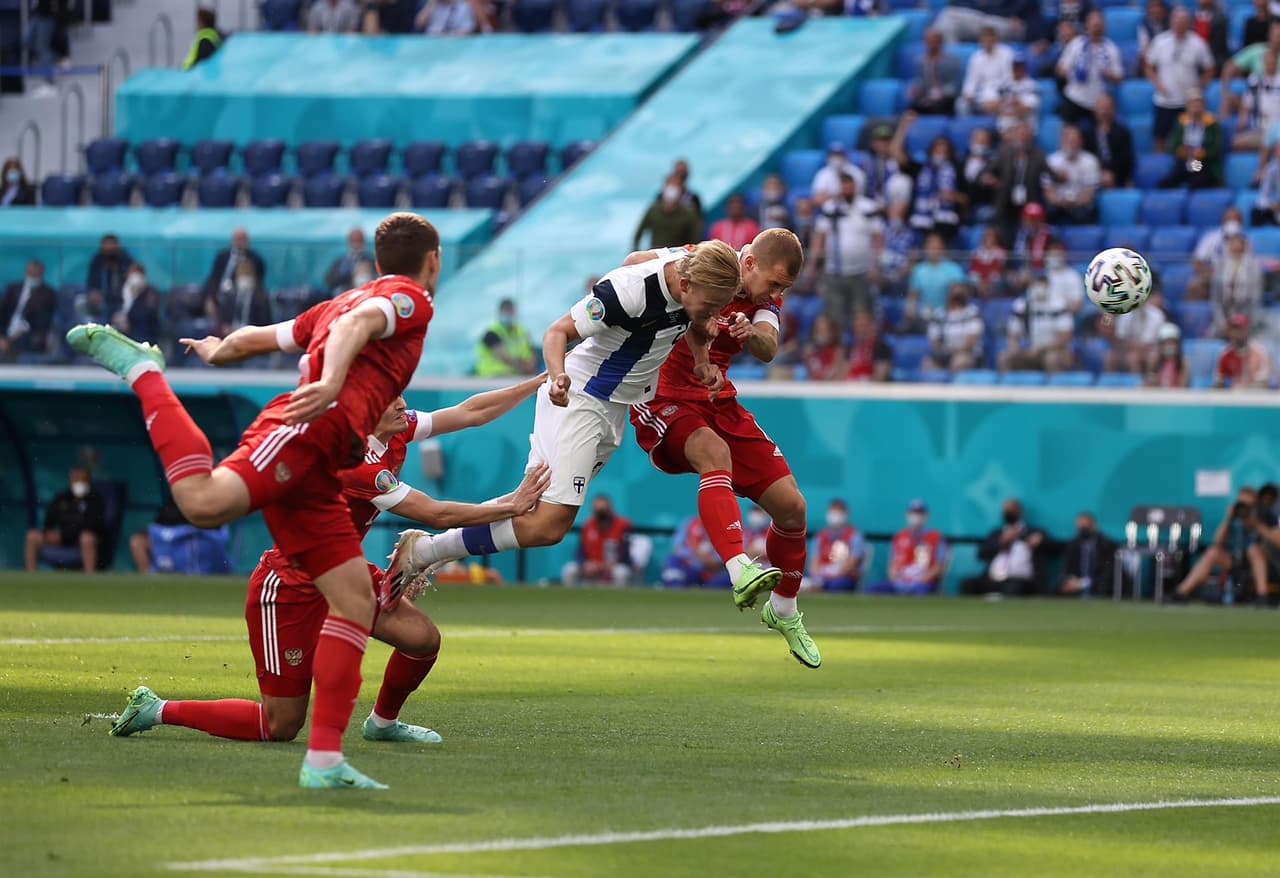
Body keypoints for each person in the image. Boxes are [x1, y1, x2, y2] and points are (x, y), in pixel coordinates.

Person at [68, 211, 445, 790]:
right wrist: (329, 381)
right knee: (202, 501)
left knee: (350, 600)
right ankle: (146, 373)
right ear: (433, 260)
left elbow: (268, 335)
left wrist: (222, 350)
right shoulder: (409, 299)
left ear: (374, 260)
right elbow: (357, 328)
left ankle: (324, 762)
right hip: (305, 431)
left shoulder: (340, 301)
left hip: (326, 459)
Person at [109, 381, 547, 749]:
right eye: (390, 399)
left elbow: (469, 411)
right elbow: (435, 514)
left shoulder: (395, 429)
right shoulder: (356, 463)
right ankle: (157, 709)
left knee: (422, 639)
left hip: (343, 575)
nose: (402, 404)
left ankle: (382, 724)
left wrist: (538, 381)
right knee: (279, 726)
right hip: (290, 588)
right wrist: (511, 505)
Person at [384, 243, 747, 634]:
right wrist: (557, 377)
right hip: (580, 398)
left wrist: (701, 360)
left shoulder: (694, 275)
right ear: (687, 282)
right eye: (710, 305)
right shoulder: (629, 291)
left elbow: (683, 311)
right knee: (549, 525)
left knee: (535, 511)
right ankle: (425, 552)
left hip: (614, 407)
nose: (713, 316)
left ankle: (423, 553)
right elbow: (557, 331)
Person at [626, 230, 820, 665]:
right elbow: (634, 260)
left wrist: (750, 333)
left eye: (783, 289)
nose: (776, 293)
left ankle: (784, 610)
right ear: (747, 263)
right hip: (662, 395)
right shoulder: (703, 260)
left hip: (716, 396)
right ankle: (739, 568)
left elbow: (769, 348)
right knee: (715, 454)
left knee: (793, 508)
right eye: (774, 284)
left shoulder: (763, 299)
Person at [810, 172, 884, 334]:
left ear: (855, 187)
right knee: (833, 316)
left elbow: (878, 237)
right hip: (834, 271)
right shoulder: (830, 208)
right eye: (844, 186)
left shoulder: (867, 207)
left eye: (849, 186)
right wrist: (813, 265)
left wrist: (876, 264)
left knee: (862, 313)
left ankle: (862, 352)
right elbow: (820, 237)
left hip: (862, 271)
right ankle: (838, 352)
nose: (847, 190)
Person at [1173, 485, 1264, 600]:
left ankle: (1262, 595)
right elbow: (1217, 541)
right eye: (1241, 504)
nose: (1244, 508)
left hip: (1260, 562)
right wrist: (1228, 518)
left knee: (1253, 549)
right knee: (1213, 552)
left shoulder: (1262, 517)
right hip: (1237, 560)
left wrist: (1254, 522)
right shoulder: (1234, 519)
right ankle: (1181, 592)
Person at [1145, 9, 1215, 150]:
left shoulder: (1198, 43)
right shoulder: (1160, 41)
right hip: (1164, 101)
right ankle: (1161, 167)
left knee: (1190, 141)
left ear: (1188, 23)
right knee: (1160, 137)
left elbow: (1210, 68)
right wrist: (1158, 84)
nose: (1180, 25)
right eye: (1177, 21)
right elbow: (1148, 66)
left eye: (1183, 22)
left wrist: (1199, 87)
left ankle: (1193, 168)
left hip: (1188, 103)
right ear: (1171, 22)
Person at [961, 499, 1051, 596]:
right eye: (1005, 510)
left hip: (1021, 579)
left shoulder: (1034, 532)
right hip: (994, 578)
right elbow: (981, 554)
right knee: (968, 583)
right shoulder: (996, 533)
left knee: (1013, 586)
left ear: (1020, 511)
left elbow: (1053, 547)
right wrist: (1001, 542)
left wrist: (1040, 541)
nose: (1007, 513)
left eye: (1011, 510)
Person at [24, 466, 106, 573]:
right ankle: (31, 575)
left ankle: (90, 575)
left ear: (89, 481)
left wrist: (68, 533)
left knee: (87, 538)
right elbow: (49, 519)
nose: (79, 483)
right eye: (76, 480)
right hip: (62, 536)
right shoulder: (62, 498)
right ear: (70, 481)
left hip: (81, 538)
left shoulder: (95, 499)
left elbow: (93, 524)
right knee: (32, 535)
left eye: (82, 480)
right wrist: (47, 531)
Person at [981, 121, 1050, 243]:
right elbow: (985, 172)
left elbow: (1050, 174)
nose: (1022, 137)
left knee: (1029, 232)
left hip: (1029, 201)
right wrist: (990, 178)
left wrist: (1060, 177)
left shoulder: (1037, 154)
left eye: (1025, 134)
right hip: (1006, 201)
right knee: (1004, 232)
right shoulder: (1004, 152)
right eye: (1020, 134)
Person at [866, 499, 949, 595]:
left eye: (919, 513)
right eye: (913, 512)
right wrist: (895, 576)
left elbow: (940, 566)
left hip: (923, 582)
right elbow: (892, 566)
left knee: (921, 591)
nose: (916, 516)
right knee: (871, 589)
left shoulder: (936, 537)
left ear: (926, 515)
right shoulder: (899, 536)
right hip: (901, 581)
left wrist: (923, 578)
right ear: (907, 514)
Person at [1056, 11, 1125, 125]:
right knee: (1067, 128)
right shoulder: (1076, 44)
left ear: (1104, 27)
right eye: (1093, 25)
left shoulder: (1111, 48)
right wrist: (1071, 72)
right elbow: (1060, 69)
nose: (1096, 29)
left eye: (1098, 25)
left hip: (1097, 101)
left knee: (1099, 134)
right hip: (1075, 96)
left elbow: (1119, 78)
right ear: (1086, 25)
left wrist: (1110, 75)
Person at [1000, 274, 1076, 374]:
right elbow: (1012, 335)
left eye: (1042, 285)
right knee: (1004, 357)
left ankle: (1055, 388)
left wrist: (1040, 349)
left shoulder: (1059, 305)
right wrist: (1016, 349)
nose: (1038, 288)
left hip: (1052, 350)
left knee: (1051, 359)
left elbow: (1064, 338)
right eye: (1036, 285)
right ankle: (1007, 388)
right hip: (1027, 349)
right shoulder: (1021, 305)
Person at [562, 494, 634, 587]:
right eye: (598, 510)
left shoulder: (622, 525)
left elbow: (626, 555)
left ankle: (618, 600)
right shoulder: (588, 526)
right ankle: (570, 599)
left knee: (621, 572)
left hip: (613, 566)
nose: (601, 514)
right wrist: (585, 564)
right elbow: (580, 553)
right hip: (592, 566)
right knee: (570, 569)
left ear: (610, 509)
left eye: (603, 510)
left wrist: (605, 566)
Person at [1158, 89, 1224, 188]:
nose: (1196, 109)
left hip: (1202, 162)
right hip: (1184, 160)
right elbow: (1174, 145)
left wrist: (1202, 153)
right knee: (1167, 182)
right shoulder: (1182, 123)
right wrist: (1182, 151)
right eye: (1193, 105)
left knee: (1197, 179)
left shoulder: (1212, 124)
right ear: (1187, 106)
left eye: (1199, 105)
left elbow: (1216, 147)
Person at [905, 232, 966, 329]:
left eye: (936, 248)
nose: (933, 251)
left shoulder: (954, 269)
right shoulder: (918, 270)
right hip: (923, 317)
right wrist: (909, 311)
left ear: (942, 249)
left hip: (947, 317)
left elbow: (958, 295)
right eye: (930, 248)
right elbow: (912, 296)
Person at [0, 258, 58, 362]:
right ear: (26, 272)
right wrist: (2, 336)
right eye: (30, 272)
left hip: (27, 333)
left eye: (36, 273)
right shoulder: (13, 290)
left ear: (42, 274)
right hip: (6, 331)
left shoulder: (48, 294)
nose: (33, 276)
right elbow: (3, 312)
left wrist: (20, 331)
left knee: (26, 341)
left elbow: (44, 320)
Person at [1044, 124, 1102, 224]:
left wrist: (1075, 202)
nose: (1072, 144)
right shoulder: (1051, 161)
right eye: (1069, 141)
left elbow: (1090, 192)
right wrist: (1059, 201)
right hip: (1058, 203)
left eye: (1074, 141)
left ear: (1081, 142)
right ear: (1062, 141)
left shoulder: (1090, 160)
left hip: (1080, 203)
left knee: (1088, 210)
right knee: (1048, 209)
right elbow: (1048, 190)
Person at [1211, 228, 1264, 333]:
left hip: (1246, 310)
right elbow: (1215, 298)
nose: (1236, 246)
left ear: (1245, 246)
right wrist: (1223, 323)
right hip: (1224, 310)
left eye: (1239, 243)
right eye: (1232, 243)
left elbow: (1256, 297)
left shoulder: (1253, 267)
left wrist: (1247, 323)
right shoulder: (1220, 265)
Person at [923, 282, 983, 373]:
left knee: (958, 362)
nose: (956, 298)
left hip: (967, 354)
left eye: (959, 295)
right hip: (943, 354)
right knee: (927, 364)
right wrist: (943, 351)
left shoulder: (972, 312)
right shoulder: (939, 314)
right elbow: (934, 341)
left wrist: (952, 351)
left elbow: (971, 341)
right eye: (954, 295)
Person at [808, 499, 865, 592]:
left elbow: (852, 563)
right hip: (822, 578)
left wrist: (833, 574)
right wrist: (818, 577)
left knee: (836, 585)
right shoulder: (820, 537)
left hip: (844, 577)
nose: (835, 515)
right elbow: (814, 564)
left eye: (838, 511)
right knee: (804, 584)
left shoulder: (854, 536)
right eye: (832, 511)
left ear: (845, 514)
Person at [1104, 290, 1167, 372]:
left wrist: (1132, 346)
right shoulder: (1125, 314)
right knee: (1109, 356)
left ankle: (1138, 382)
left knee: (1134, 358)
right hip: (1128, 349)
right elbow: (1120, 338)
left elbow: (1148, 342)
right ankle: (1110, 382)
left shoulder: (1156, 315)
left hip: (1151, 349)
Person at [959, 25, 1015, 116]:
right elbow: (971, 79)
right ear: (981, 41)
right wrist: (968, 93)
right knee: (961, 104)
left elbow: (1009, 78)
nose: (988, 43)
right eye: (985, 40)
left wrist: (997, 95)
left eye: (990, 40)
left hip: (1000, 92)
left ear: (996, 39)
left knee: (1002, 101)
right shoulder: (976, 57)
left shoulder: (1007, 53)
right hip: (982, 94)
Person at [207, 259, 272, 336]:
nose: (244, 277)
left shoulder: (261, 299)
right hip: (231, 334)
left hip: (252, 335)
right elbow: (223, 321)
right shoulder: (230, 296)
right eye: (241, 274)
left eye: (247, 274)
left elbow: (265, 325)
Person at [202, 228, 266, 305]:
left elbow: (258, 281)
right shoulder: (222, 257)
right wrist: (210, 298)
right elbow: (214, 278)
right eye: (237, 239)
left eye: (242, 239)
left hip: (241, 299)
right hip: (219, 295)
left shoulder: (255, 259)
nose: (239, 242)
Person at [1233, 48, 1280, 153]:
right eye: (1268, 61)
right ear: (1263, 62)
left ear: (1276, 62)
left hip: (1278, 130)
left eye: (1273, 61)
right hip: (1259, 130)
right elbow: (1246, 105)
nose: (1270, 63)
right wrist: (1243, 119)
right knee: (1236, 143)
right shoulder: (1254, 80)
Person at [633, 177, 701, 250]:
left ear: (681, 190)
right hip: (654, 254)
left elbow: (695, 239)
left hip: (677, 255)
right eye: (669, 185)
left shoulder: (688, 213)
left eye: (675, 186)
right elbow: (638, 233)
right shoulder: (653, 209)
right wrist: (636, 251)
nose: (671, 190)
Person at [475, 298, 537, 376]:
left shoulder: (522, 331)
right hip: (492, 377)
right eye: (505, 311)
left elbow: (532, 351)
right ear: (499, 312)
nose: (508, 314)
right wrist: (524, 366)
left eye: (510, 311)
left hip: (516, 377)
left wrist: (531, 366)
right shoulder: (491, 333)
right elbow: (504, 357)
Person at [908, 28, 963, 115]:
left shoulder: (952, 60)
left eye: (934, 40)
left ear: (940, 42)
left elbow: (956, 84)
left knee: (939, 105)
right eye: (928, 40)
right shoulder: (920, 61)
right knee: (912, 106)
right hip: (927, 96)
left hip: (945, 97)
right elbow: (920, 81)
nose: (931, 43)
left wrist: (942, 93)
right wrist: (916, 88)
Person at [1085, 92, 1135, 188]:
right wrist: (1098, 172)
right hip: (1092, 175)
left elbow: (1126, 159)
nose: (1104, 111)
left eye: (1107, 108)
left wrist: (1111, 172)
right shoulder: (1088, 133)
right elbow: (1086, 156)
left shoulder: (1122, 132)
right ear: (1095, 110)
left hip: (1117, 175)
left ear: (1114, 109)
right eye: (1101, 108)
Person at [1058, 512, 1115, 596]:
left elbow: (1108, 572)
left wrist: (1083, 583)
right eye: (1081, 527)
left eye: (1086, 526)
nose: (1083, 530)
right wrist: (1069, 580)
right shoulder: (1073, 544)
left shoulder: (1105, 544)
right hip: (1075, 586)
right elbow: (1066, 568)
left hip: (1099, 587)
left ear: (1093, 525)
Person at [661, 515, 728, 587]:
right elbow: (676, 548)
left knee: (721, 581)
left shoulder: (726, 526)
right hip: (690, 566)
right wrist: (695, 554)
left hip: (713, 572)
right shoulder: (691, 523)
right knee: (673, 561)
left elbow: (728, 558)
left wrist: (711, 561)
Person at [1213, 313, 1272, 388]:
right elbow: (1219, 381)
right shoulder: (1225, 354)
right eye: (1233, 328)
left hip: (1255, 396)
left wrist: (1242, 390)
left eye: (1240, 328)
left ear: (1247, 329)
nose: (1236, 332)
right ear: (1228, 331)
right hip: (1231, 397)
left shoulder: (1260, 352)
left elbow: (1263, 383)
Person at [85, 234, 135, 321]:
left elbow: (132, 280)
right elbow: (91, 282)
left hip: (121, 300)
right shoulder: (97, 261)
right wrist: (93, 292)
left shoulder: (125, 260)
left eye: (112, 248)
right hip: (102, 300)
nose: (109, 253)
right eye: (106, 248)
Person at [992, 52, 1042, 134]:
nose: (1017, 69)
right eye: (1015, 66)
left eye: (1020, 66)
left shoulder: (1032, 85)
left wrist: (1014, 103)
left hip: (1024, 122)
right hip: (1005, 124)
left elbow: (1028, 108)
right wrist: (1005, 105)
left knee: (1021, 131)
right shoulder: (1004, 83)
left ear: (1024, 67)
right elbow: (993, 104)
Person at [847, 308, 892, 382]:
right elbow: (843, 373)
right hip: (848, 388)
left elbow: (880, 376)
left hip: (869, 390)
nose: (860, 329)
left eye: (863, 325)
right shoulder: (850, 347)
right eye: (858, 325)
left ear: (871, 325)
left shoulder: (881, 347)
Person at [324, 227, 372, 295]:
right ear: (349, 241)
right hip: (343, 294)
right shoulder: (341, 261)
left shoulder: (370, 261)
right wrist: (350, 273)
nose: (356, 244)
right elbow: (329, 279)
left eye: (359, 240)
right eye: (354, 240)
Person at [1043, 238, 1085, 313]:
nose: (1053, 258)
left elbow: (1078, 303)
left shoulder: (1072, 276)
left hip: (1062, 315)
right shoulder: (1043, 274)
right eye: (1051, 255)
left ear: (1063, 256)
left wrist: (1063, 308)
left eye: (1056, 255)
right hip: (1042, 313)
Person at [802, 313, 846, 380]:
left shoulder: (838, 351)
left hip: (829, 386)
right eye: (818, 331)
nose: (821, 335)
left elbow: (836, 373)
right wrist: (806, 359)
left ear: (831, 332)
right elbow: (808, 372)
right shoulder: (810, 351)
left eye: (824, 330)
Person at [1145, 321, 1190, 387]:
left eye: (1172, 343)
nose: (1169, 346)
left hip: (1176, 395)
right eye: (1166, 343)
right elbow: (1148, 383)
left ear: (1178, 344)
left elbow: (1183, 386)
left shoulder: (1183, 362)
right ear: (1160, 344)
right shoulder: (1154, 361)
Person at [968, 225, 1008, 297]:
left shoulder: (1001, 252)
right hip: (978, 283)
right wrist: (980, 283)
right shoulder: (975, 252)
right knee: (971, 279)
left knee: (997, 280)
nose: (988, 238)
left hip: (993, 282)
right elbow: (973, 270)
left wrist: (987, 282)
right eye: (986, 236)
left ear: (995, 238)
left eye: (990, 236)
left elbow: (998, 270)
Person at [1192, 0, 1231, 68]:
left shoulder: (1220, 19)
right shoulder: (1191, 16)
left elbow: (1218, 46)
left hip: (1214, 59)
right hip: (1195, 57)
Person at [414, 0, 487, 34]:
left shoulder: (463, 5)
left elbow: (468, 29)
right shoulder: (432, 5)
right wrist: (432, 3)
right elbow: (419, 24)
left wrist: (449, 36)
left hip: (457, 44)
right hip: (431, 43)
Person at [1254, 139, 1280, 225]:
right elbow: (1263, 195)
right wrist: (1272, 205)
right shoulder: (1270, 169)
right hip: (1275, 207)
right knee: (1257, 209)